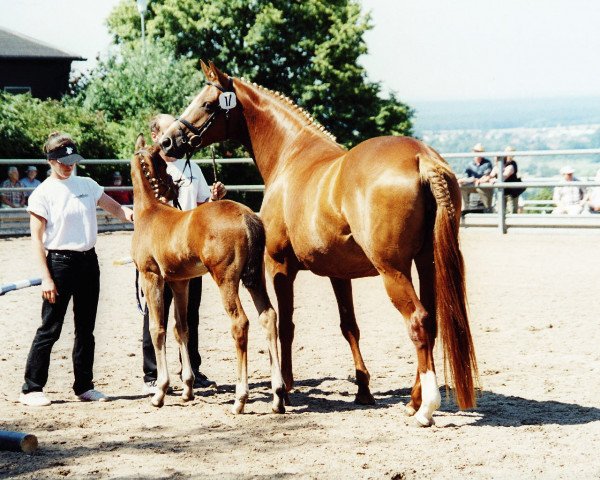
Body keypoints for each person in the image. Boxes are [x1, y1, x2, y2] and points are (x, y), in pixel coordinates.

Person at [19, 132, 134, 407]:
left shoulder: (87, 184)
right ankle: (31, 387)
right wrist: (46, 277)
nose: (69, 165)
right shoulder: (42, 194)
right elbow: (36, 239)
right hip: (59, 263)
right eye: (63, 161)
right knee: (51, 327)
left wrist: (136, 216)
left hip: (88, 262)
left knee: (86, 328)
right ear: (50, 160)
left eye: (72, 160)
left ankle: (84, 385)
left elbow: (116, 209)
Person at [140, 113, 226, 395]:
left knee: (190, 311)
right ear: (156, 136)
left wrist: (213, 199)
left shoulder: (193, 168)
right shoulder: (150, 169)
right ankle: (153, 371)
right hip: (160, 245)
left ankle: (191, 367)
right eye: (168, 131)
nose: (176, 137)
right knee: (156, 309)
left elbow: (202, 205)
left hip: (190, 246)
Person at [482, 146, 524, 214]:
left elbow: (504, 177)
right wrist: (485, 179)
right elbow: (490, 176)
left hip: (512, 192)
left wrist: (494, 179)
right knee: (501, 211)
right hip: (503, 192)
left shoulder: (512, 164)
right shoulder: (500, 164)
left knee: (512, 211)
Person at [457, 143, 493, 211]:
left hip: (482, 185)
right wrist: (469, 180)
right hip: (472, 184)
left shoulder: (487, 163)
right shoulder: (470, 164)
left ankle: (487, 208)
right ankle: (464, 208)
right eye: (475, 152)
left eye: (478, 152)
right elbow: (466, 176)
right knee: (461, 187)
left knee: (482, 188)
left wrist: (479, 180)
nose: (476, 154)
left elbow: (487, 176)